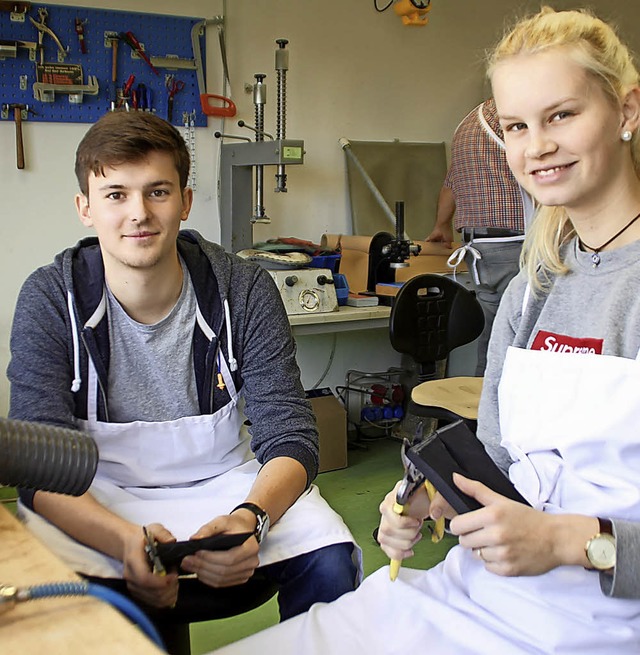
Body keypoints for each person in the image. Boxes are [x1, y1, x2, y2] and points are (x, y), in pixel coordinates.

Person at [208, 7, 640, 654]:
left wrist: (563, 539)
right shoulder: (531, 292)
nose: (537, 146)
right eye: (517, 126)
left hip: (593, 627)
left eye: (562, 115)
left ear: (628, 111)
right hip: (474, 595)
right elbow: (500, 466)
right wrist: (434, 496)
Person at [7, 110, 360, 653]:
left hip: (226, 485)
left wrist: (252, 518)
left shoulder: (242, 289)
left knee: (330, 558)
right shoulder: (51, 298)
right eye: (116, 195)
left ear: (186, 202)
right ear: (85, 208)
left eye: (158, 191)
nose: (139, 214)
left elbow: (290, 437)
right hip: (97, 494)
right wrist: (127, 541)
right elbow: (38, 468)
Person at [426, 97, 536, 374]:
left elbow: (450, 184)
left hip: (479, 248)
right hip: (516, 243)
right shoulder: (512, 117)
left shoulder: (467, 126)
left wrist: (441, 226)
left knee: (494, 338)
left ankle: (481, 407)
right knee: (525, 342)